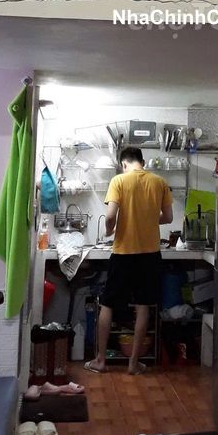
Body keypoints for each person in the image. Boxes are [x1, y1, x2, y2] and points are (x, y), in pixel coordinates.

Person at [85, 146, 173, 375]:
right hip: (150, 254)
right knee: (143, 307)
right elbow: (168, 217)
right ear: (142, 161)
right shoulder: (159, 182)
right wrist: (147, 218)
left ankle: (100, 361)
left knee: (108, 304)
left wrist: (108, 230)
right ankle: (133, 363)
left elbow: (110, 216)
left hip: (123, 254)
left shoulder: (119, 181)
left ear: (124, 164)